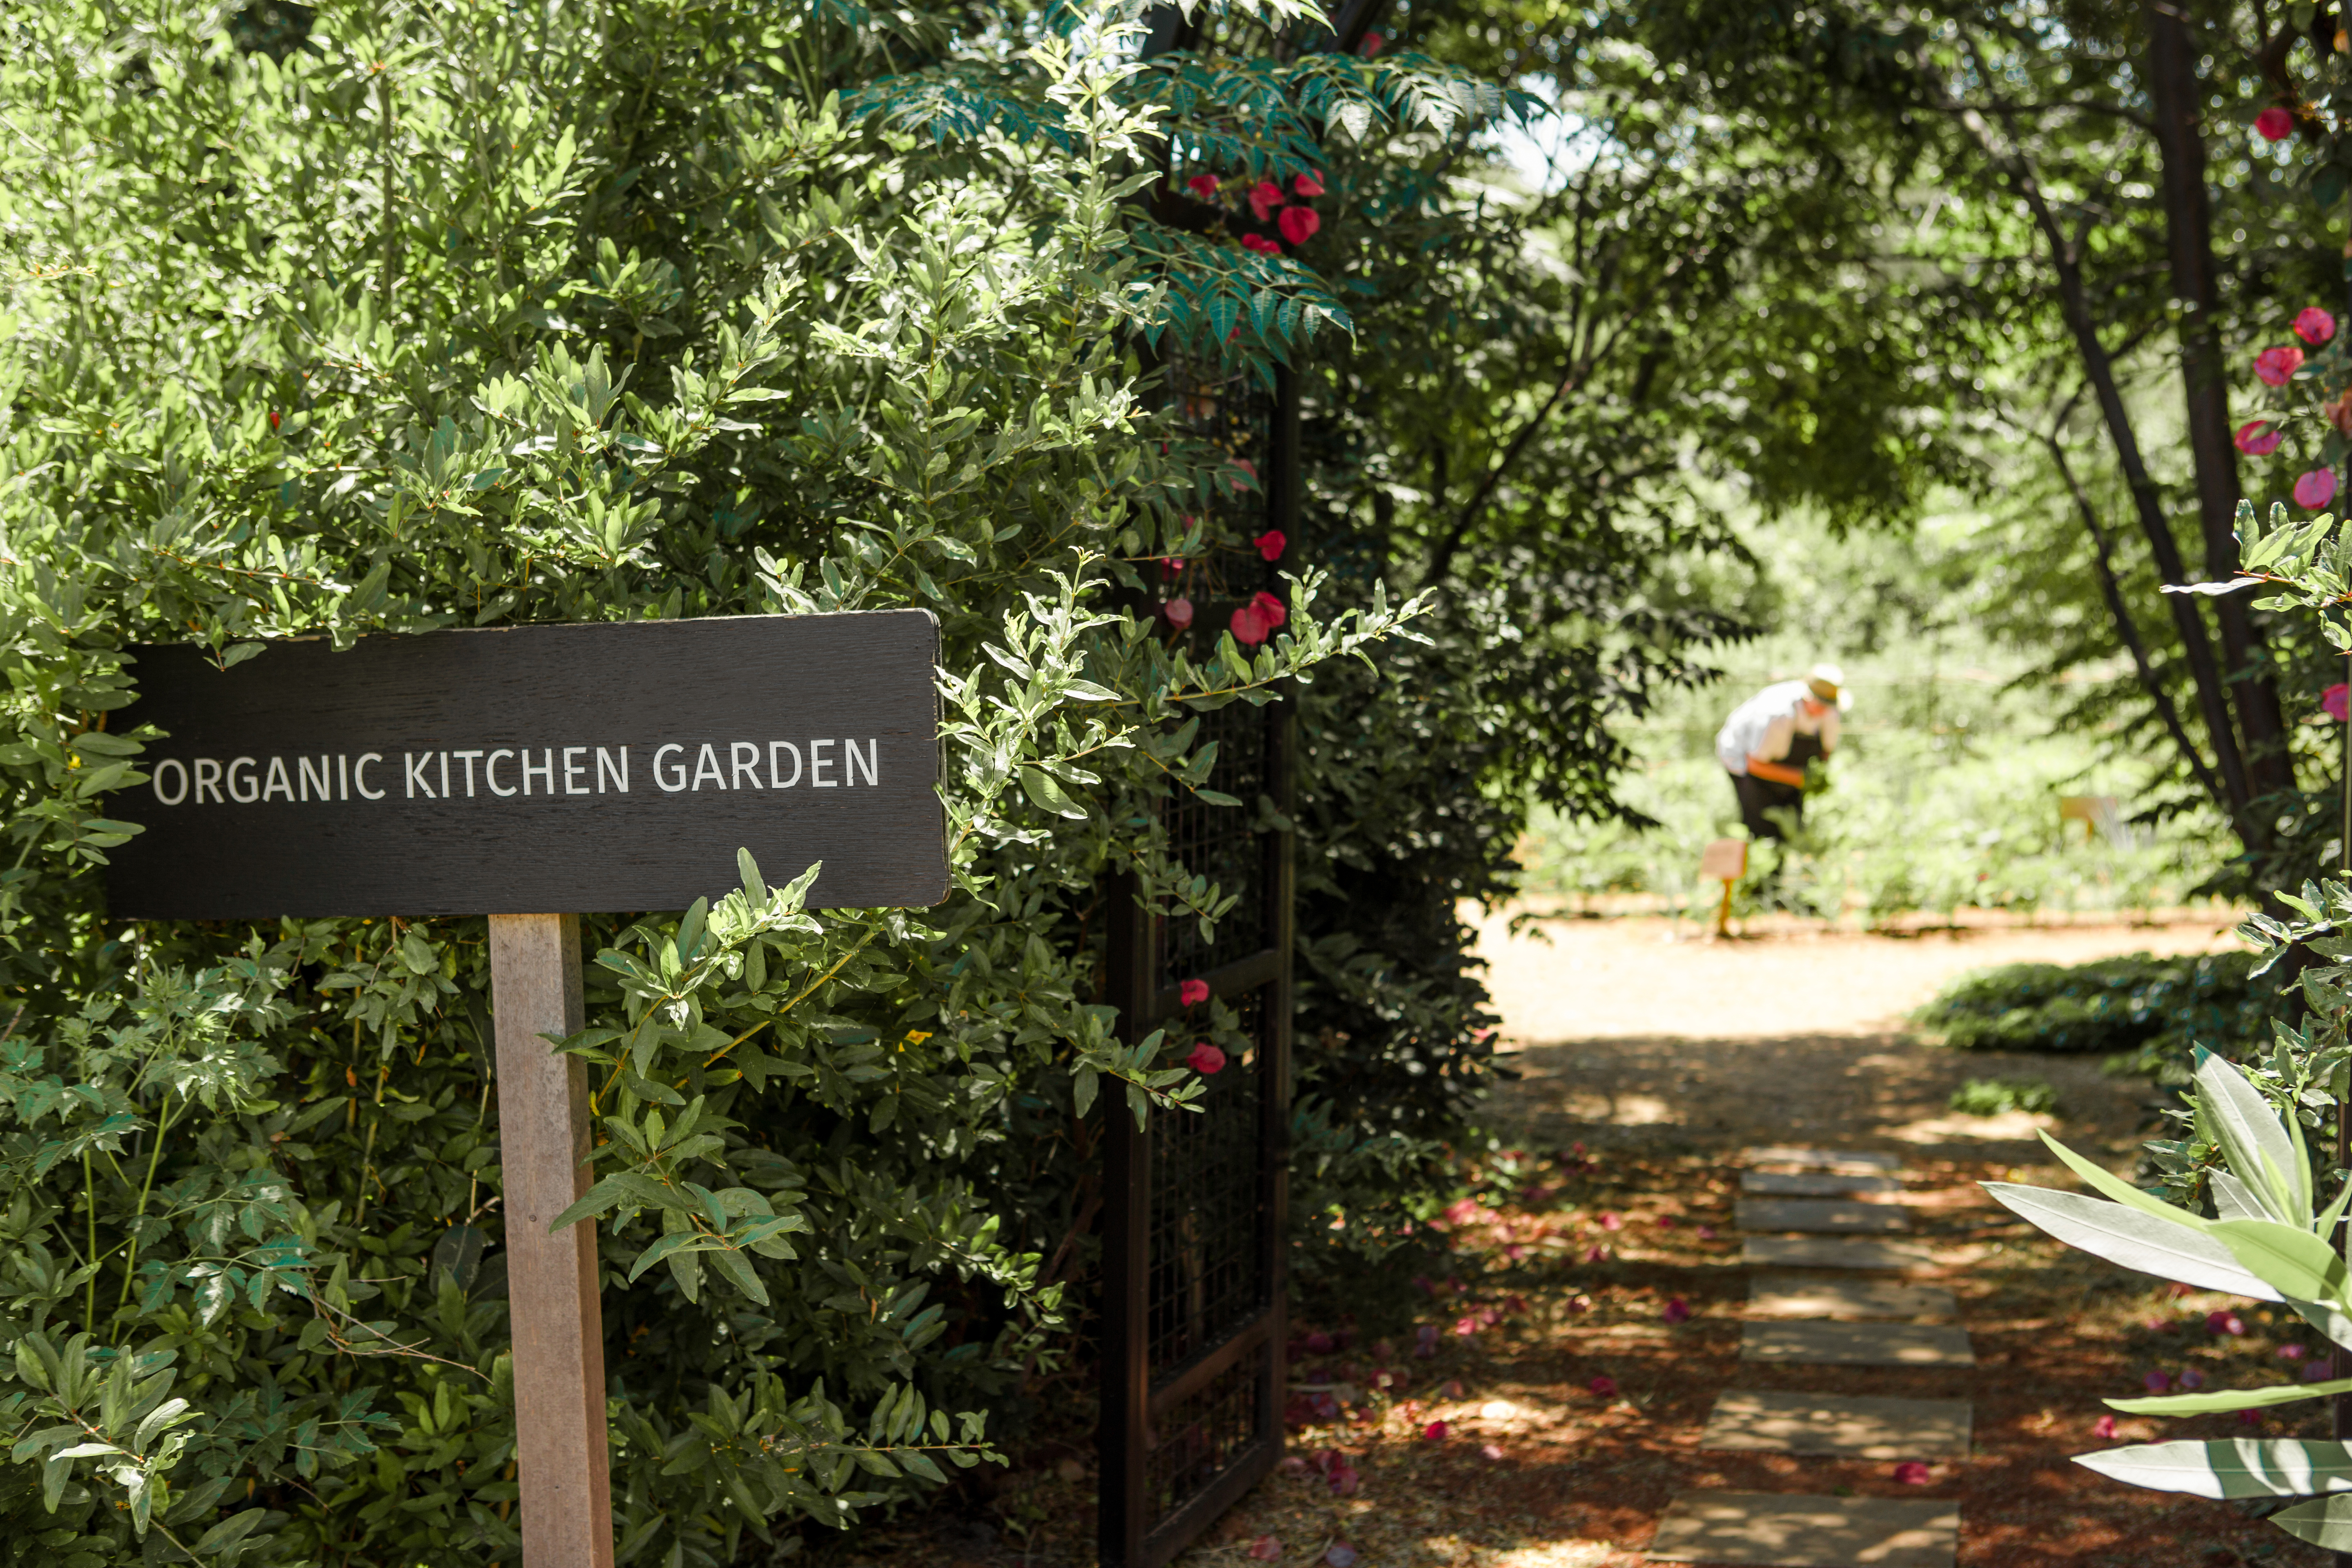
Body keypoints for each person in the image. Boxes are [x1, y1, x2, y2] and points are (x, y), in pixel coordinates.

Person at [1715, 664, 1845, 841]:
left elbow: (1826, 751)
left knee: (1793, 819)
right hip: (1745, 761)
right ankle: (1761, 857)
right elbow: (1755, 764)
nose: (1823, 709)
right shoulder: (1779, 714)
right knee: (1761, 821)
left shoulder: (1830, 711)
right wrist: (1802, 780)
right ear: (1808, 698)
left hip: (1784, 764)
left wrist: (1817, 775)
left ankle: (1785, 855)